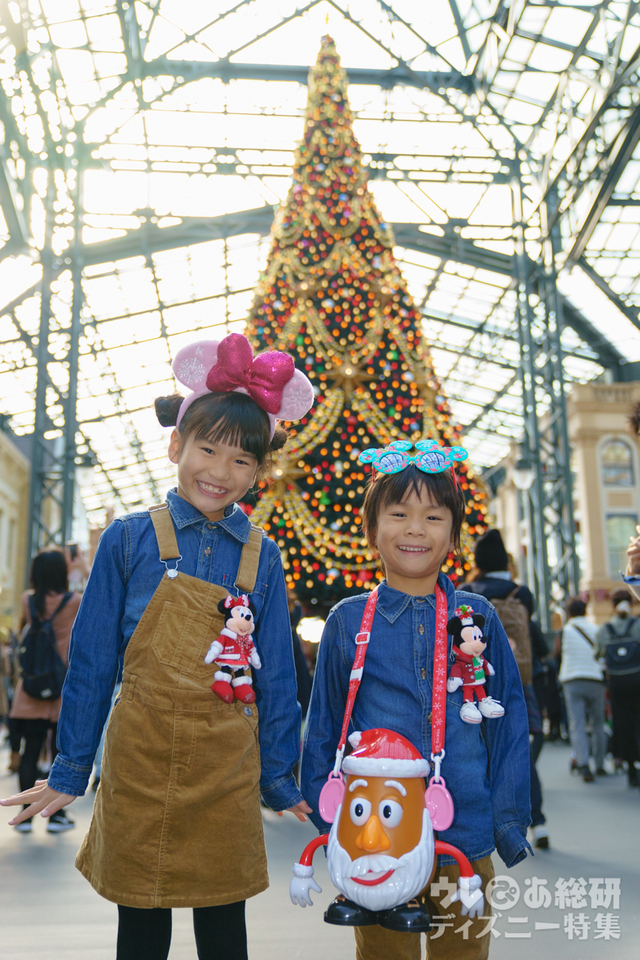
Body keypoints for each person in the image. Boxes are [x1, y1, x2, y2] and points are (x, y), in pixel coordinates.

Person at [1, 332, 314, 960]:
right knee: (140, 928)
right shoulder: (126, 540)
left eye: (242, 461)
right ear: (176, 444)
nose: (221, 473)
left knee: (224, 928)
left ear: (260, 470)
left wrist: (281, 777)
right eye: (207, 449)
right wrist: (70, 769)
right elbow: (91, 665)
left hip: (227, 769)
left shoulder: (265, 557)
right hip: (139, 761)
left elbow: (278, 674)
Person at [301, 441, 531, 960]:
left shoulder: (477, 618)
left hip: (464, 837)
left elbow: (508, 722)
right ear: (372, 529)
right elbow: (324, 726)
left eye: (433, 516)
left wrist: (507, 822)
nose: (414, 528)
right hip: (376, 842)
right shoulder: (346, 621)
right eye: (398, 513)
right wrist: (328, 818)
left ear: (453, 534)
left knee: (463, 954)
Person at [462, 529, 550, 849]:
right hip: (519, 682)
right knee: (520, 751)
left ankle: (482, 820)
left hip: (476, 687)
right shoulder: (521, 593)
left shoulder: (466, 591)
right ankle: (536, 822)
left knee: (475, 750)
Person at [9, 550, 81, 833]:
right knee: (57, 754)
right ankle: (56, 818)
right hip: (62, 683)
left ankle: (25, 817)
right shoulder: (74, 601)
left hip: (33, 684)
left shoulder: (29, 600)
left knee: (30, 751)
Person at [596, 589, 640, 787]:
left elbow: (597, 654)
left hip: (617, 685)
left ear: (613, 606)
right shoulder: (637, 624)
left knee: (623, 724)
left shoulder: (605, 629)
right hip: (637, 681)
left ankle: (630, 768)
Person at [558, 597, 605, 782]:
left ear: (569, 613)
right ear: (585, 611)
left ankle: (584, 764)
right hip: (595, 679)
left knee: (577, 724)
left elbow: (556, 654)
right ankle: (600, 765)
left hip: (572, 680)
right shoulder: (596, 629)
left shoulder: (565, 631)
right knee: (598, 723)